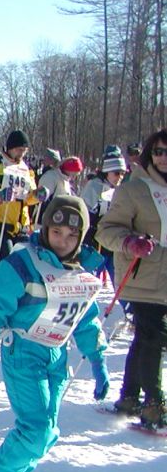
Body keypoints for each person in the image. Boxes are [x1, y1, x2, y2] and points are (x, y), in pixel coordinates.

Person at [0, 195, 108, 472]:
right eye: (57, 232)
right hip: (23, 351)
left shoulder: (79, 272)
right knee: (37, 427)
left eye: (72, 236)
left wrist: (98, 359)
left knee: (49, 431)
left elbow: (86, 320)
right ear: (45, 228)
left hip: (56, 354)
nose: (63, 241)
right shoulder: (23, 264)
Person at [96, 129, 167, 426]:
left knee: (145, 337)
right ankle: (154, 403)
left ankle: (129, 395)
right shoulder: (135, 189)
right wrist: (130, 242)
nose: (163, 158)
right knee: (155, 335)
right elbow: (106, 231)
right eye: (158, 152)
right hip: (142, 276)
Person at [0, 129, 39, 266]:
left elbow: (29, 197)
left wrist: (37, 195)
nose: (21, 154)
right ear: (10, 148)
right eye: (18, 150)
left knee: (23, 264)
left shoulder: (26, 170)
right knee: (5, 260)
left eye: (24, 150)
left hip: (20, 224)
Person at [81, 150, 128, 283]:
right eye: (117, 173)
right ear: (107, 172)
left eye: (123, 173)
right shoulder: (95, 186)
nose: (120, 177)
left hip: (113, 241)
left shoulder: (120, 189)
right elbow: (85, 213)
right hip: (95, 242)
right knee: (91, 280)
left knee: (120, 281)